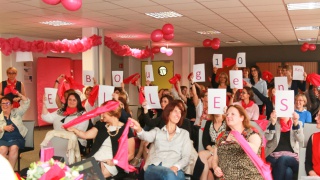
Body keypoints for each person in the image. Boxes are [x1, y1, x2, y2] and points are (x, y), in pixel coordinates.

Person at [67, 100, 135, 178]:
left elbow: (131, 154)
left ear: (111, 112)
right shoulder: (101, 125)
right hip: (93, 160)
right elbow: (86, 135)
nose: (101, 114)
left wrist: (114, 162)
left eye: (103, 112)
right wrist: (74, 130)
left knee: (93, 176)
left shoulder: (126, 129)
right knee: (71, 173)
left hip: (111, 164)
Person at [130, 100, 192, 180]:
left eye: (180, 112)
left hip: (176, 169)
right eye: (175, 111)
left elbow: (186, 157)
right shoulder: (157, 131)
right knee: (169, 174)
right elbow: (145, 136)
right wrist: (138, 129)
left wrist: (176, 167)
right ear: (168, 113)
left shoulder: (184, 134)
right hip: (155, 168)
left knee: (171, 175)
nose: (178, 115)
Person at [212, 105, 262, 179]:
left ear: (241, 117)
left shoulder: (251, 134)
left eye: (233, 114)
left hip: (248, 177)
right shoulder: (222, 136)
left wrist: (240, 141)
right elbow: (215, 158)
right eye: (227, 114)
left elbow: (254, 150)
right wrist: (215, 167)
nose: (228, 116)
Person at [265, 111, 304, 180]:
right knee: (288, 171)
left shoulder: (297, 123)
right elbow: (268, 137)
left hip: (292, 157)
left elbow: (301, 140)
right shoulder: (273, 121)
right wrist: (273, 123)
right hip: (273, 155)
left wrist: (295, 124)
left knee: (283, 159)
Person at [0, 93, 30, 168]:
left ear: (12, 105)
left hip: (17, 138)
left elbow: (27, 102)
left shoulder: (17, 112)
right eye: (2, 103)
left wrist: (19, 95)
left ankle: (10, 172)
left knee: (14, 147)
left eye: (7, 103)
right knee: (2, 149)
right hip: (3, 138)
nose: (5, 105)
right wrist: (4, 127)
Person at [199, 114, 226, 180]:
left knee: (204, 164)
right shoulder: (209, 123)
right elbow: (205, 141)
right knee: (200, 154)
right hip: (212, 149)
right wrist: (214, 151)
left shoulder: (227, 122)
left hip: (223, 149)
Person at [305, 110, 320, 176]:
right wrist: (311, 173)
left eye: (319, 116)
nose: (315, 118)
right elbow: (308, 163)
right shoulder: (313, 137)